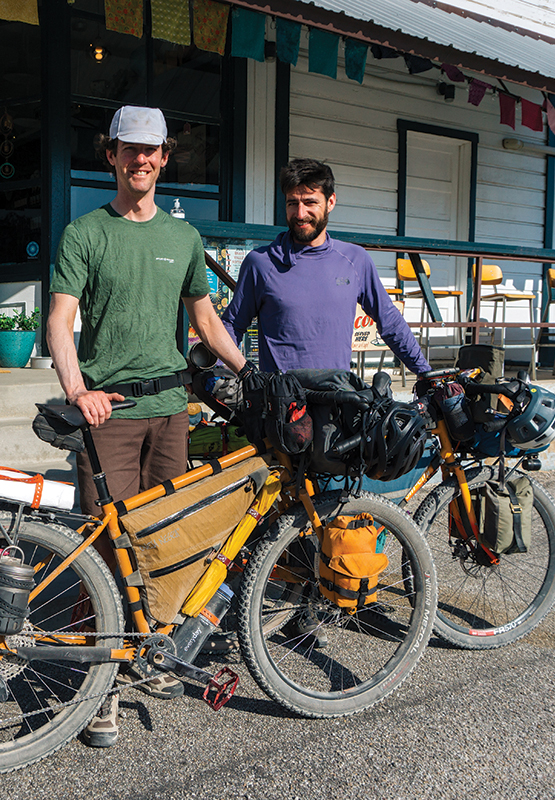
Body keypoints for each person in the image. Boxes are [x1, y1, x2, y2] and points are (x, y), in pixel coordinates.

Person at [47, 105, 251, 749]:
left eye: (151, 150)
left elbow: (207, 321)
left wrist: (250, 371)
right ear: (111, 155)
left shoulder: (182, 239)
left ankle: (149, 657)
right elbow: (59, 319)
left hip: (169, 413)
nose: (140, 159)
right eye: (128, 149)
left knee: (170, 541)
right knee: (102, 551)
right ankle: (100, 686)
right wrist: (77, 389)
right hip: (108, 413)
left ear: (165, 159)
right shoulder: (85, 233)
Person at [221, 158, 431, 377]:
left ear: (331, 202)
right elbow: (232, 325)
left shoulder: (355, 259)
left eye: (310, 202)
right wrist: (217, 370)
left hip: (337, 399)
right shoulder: (261, 262)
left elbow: (390, 322)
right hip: (281, 403)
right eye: (292, 203)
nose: (300, 214)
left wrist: (426, 374)